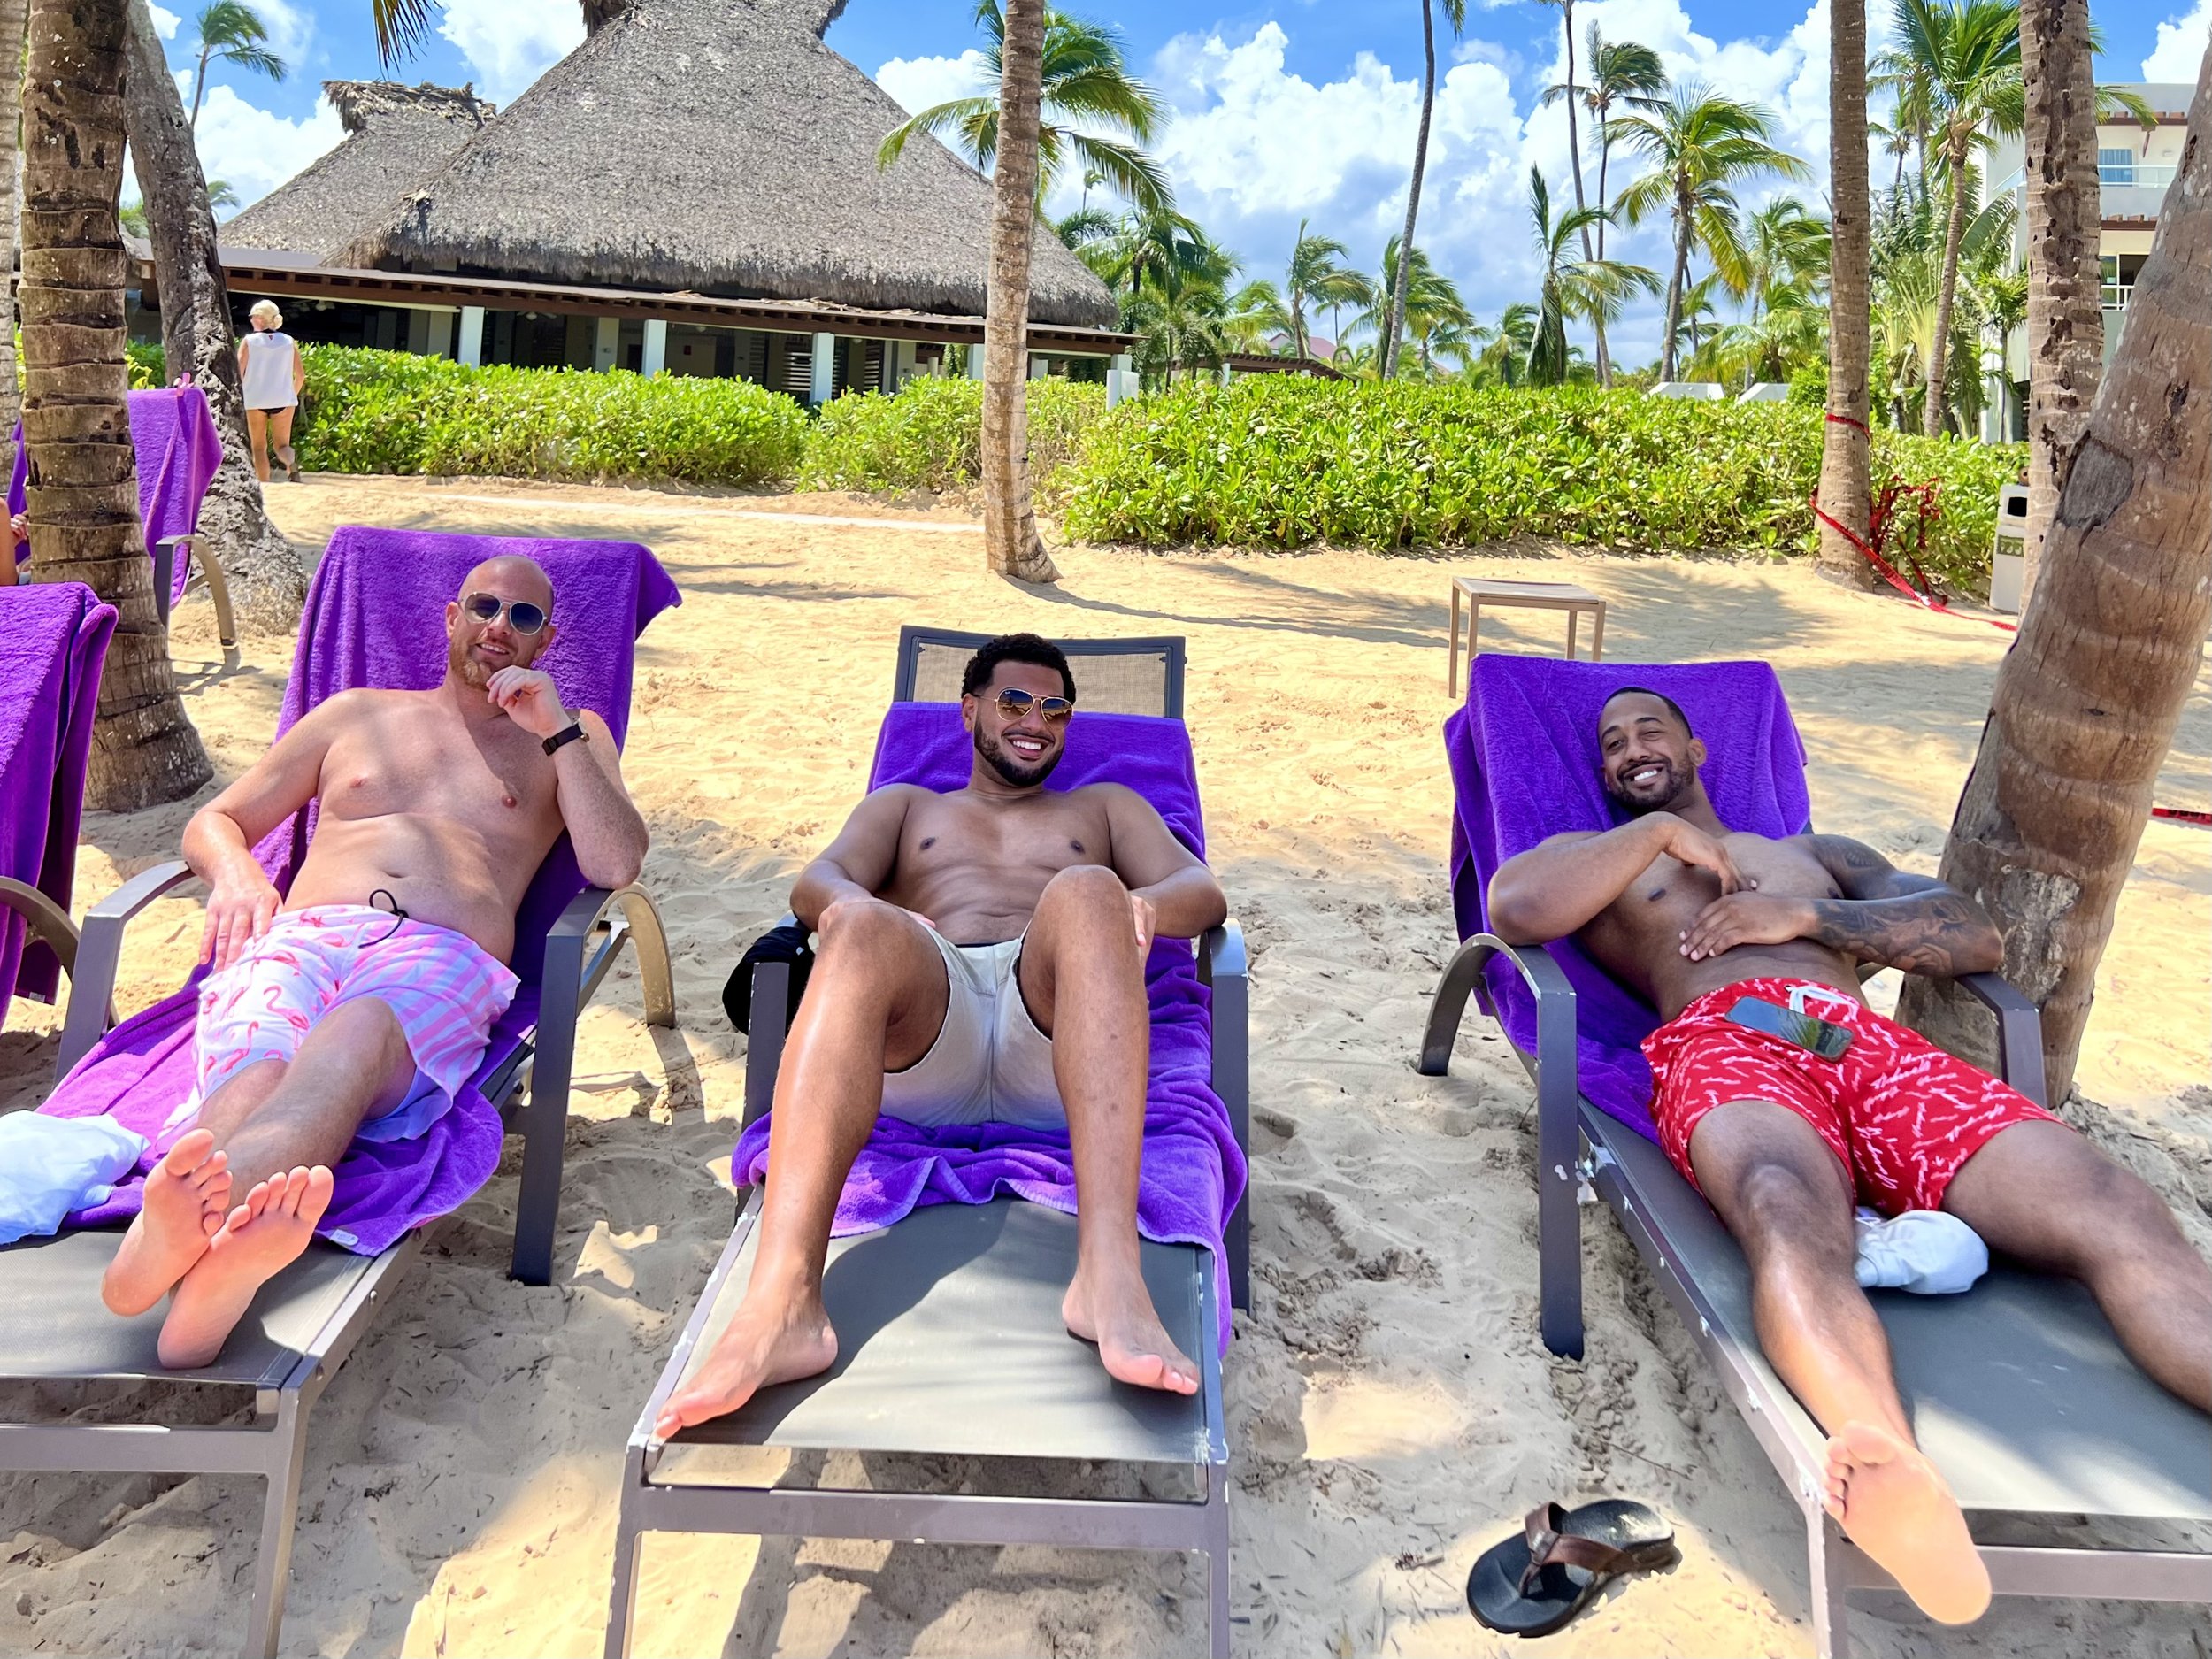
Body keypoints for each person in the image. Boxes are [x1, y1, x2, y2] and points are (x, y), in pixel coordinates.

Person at [1486, 687, 2212, 1626]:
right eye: (1612, 743)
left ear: (1699, 747)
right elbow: (1515, 907)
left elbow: (1971, 934)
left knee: (2110, 1201)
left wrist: (1805, 918)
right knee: (1780, 1202)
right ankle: (1885, 1467)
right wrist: (1660, 835)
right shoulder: (1602, 857)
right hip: (1726, 1039)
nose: (1630, 748)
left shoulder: (1817, 857)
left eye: (1649, 729)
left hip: (1862, 1045)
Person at [656, 633, 1227, 1436]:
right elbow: (818, 881)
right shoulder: (906, 806)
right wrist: (870, 912)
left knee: (1091, 889)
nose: (1036, 722)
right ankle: (783, 1304)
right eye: (1015, 702)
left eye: (1055, 709)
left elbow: (1201, 888)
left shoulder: (1102, 808)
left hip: (1053, 1033)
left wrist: (1141, 908)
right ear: (968, 711)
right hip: (933, 1021)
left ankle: (1108, 1281)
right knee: (858, 923)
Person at [100, 555, 649, 1368]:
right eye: (485, 607)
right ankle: (207, 1273)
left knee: (355, 1036)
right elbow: (217, 820)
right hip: (306, 936)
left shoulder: (569, 736)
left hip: (439, 956)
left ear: (547, 641)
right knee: (258, 1067)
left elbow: (615, 861)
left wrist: (557, 728)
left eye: (524, 617)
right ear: (452, 617)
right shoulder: (353, 713)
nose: (500, 626)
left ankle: (170, 1240)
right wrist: (239, 873)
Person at [237, 299, 304, 484]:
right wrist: (291, 396)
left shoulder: (249, 341)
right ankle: (291, 464)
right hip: (284, 399)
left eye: (253, 317)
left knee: (259, 447)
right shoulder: (288, 341)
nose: (251, 320)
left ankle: (265, 484)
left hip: (255, 399)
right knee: (282, 445)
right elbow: (300, 376)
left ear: (260, 318)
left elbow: (238, 373)